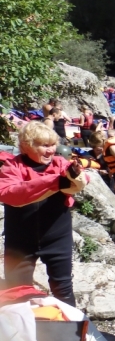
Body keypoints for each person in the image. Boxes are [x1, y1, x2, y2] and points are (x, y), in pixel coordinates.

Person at [0, 122, 86, 305]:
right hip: (20, 241)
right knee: (16, 290)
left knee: (62, 288)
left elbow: (79, 179)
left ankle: (74, 332)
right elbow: (9, 194)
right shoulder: (11, 167)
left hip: (57, 237)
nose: (50, 151)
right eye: (43, 145)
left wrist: (77, 176)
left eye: (52, 145)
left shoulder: (59, 163)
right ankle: (20, 331)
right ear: (25, 146)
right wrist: (55, 182)